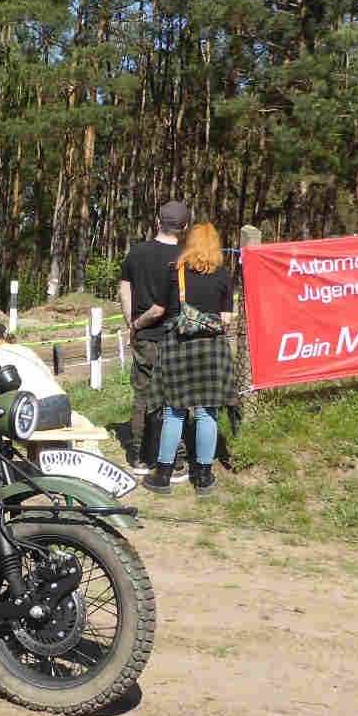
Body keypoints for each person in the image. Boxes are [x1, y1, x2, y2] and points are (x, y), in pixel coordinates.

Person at [140, 221, 237, 497]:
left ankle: (163, 477)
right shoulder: (222, 276)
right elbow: (226, 319)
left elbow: (160, 309)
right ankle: (204, 478)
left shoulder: (175, 273)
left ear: (189, 243)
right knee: (208, 412)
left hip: (177, 347)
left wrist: (137, 324)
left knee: (174, 411)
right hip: (212, 350)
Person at [120, 200, 189, 475]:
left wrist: (132, 323)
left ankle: (139, 455)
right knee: (177, 397)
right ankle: (176, 459)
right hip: (178, 337)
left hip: (144, 336)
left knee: (142, 395)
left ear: (157, 221)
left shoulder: (137, 252)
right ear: (184, 227)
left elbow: (125, 288)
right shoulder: (188, 256)